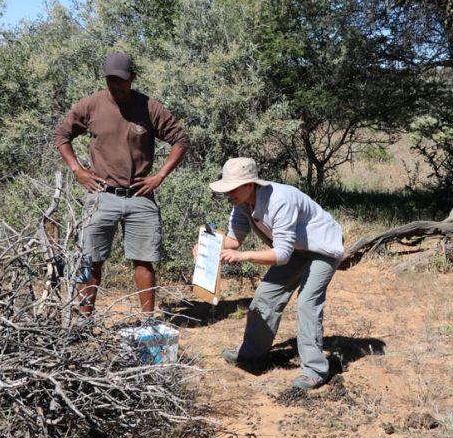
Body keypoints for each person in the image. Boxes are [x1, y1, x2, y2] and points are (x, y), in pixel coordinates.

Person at [54, 52, 190, 314]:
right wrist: (77, 169)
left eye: (122, 80)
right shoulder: (92, 104)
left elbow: (180, 140)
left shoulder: (149, 107)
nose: (116, 85)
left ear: (132, 78)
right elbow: (62, 135)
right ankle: (84, 321)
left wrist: (159, 176)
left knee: (144, 260)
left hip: (140, 196)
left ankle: (147, 322)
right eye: (111, 80)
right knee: (90, 259)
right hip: (101, 194)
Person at [201, 157, 344, 389]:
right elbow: (234, 241)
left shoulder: (280, 200)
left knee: (307, 302)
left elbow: (282, 255)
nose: (228, 194)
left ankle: (315, 370)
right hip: (294, 248)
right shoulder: (241, 204)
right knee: (265, 296)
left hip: (323, 249)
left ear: (250, 185)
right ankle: (251, 354)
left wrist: (244, 257)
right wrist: (207, 246)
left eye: (232, 188)